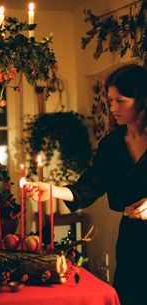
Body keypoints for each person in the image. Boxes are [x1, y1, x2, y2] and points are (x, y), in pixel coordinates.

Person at [26, 63, 147, 305]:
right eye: (110, 100)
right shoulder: (112, 144)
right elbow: (91, 185)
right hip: (132, 236)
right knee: (129, 296)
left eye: (120, 101)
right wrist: (51, 190)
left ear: (142, 100)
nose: (112, 108)